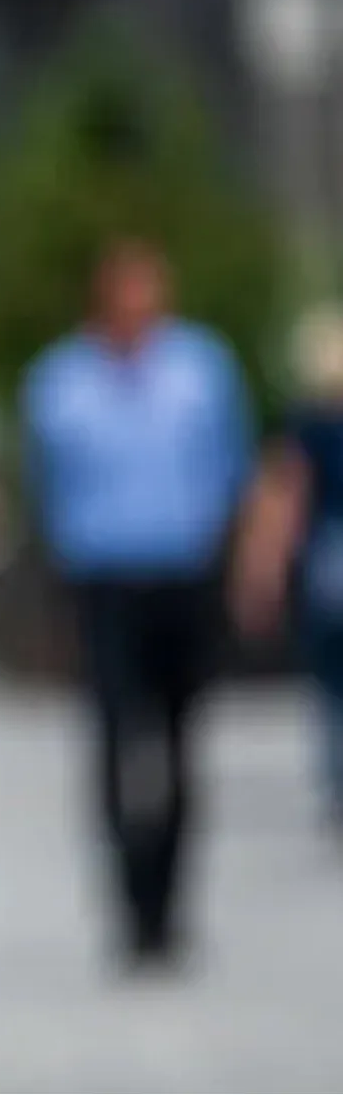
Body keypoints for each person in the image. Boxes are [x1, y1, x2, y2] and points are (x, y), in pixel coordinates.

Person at [18, 238, 255, 973]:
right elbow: (45, 487)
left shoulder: (201, 369)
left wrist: (236, 568)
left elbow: (231, 470)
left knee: (182, 746)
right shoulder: (62, 381)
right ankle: (128, 906)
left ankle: (170, 903)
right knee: (117, 745)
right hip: (105, 582)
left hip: (183, 577)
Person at [232, 302, 343, 832]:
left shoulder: (306, 424)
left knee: (331, 685)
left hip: (330, 562)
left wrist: (261, 574)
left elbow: (284, 502)